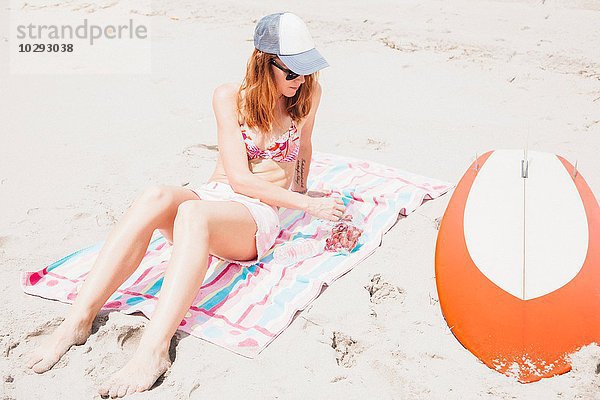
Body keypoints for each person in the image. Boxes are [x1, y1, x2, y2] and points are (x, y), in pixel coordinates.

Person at [25, 12, 345, 398]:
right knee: (156, 196)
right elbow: (237, 177)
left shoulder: (308, 96)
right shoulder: (230, 97)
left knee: (192, 214)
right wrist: (308, 205)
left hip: (255, 214)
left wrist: (304, 191)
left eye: (306, 70)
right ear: (265, 63)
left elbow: (302, 148)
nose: (300, 80)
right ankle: (76, 320)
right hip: (218, 195)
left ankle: (153, 349)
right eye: (291, 71)